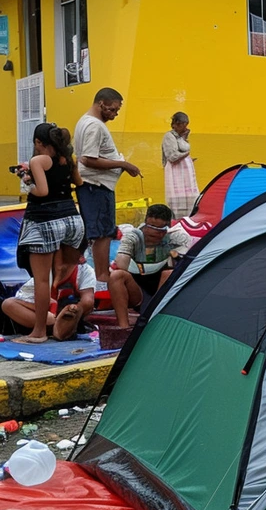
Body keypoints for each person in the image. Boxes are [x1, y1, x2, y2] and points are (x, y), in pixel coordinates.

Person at [14, 123, 86, 343]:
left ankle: (38, 332)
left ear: (38, 142)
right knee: (60, 272)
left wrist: (26, 182)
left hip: (44, 221)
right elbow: (79, 182)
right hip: (72, 220)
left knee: (42, 280)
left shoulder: (38, 161)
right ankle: (63, 320)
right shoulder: (67, 158)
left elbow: (42, 191)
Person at [77, 87, 140, 293]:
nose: (115, 114)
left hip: (97, 186)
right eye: (113, 109)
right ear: (101, 103)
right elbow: (88, 159)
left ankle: (100, 273)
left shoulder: (86, 122)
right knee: (102, 233)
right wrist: (122, 164)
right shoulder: (94, 125)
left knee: (101, 231)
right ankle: (102, 275)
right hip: (97, 186)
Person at [108, 204, 190, 327]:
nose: (152, 232)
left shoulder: (177, 237)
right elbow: (121, 264)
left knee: (169, 273)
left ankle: (155, 319)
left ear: (168, 227)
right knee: (116, 275)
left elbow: (188, 266)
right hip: (137, 289)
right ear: (145, 222)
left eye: (159, 230)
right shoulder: (133, 237)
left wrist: (174, 254)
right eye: (150, 227)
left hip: (163, 288)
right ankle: (123, 327)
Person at [1, 259, 95, 341]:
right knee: (8, 304)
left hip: (71, 317)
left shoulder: (84, 271)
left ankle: (64, 327)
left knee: (83, 304)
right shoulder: (42, 274)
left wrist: (72, 311)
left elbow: (88, 301)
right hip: (45, 317)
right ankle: (55, 327)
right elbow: (20, 301)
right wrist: (47, 307)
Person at [162, 112, 198, 219]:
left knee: (190, 197)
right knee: (177, 198)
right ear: (176, 124)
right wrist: (186, 155)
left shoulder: (179, 137)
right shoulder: (169, 136)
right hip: (175, 172)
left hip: (185, 172)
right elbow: (172, 156)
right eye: (184, 125)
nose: (186, 127)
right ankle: (177, 219)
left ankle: (188, 218)